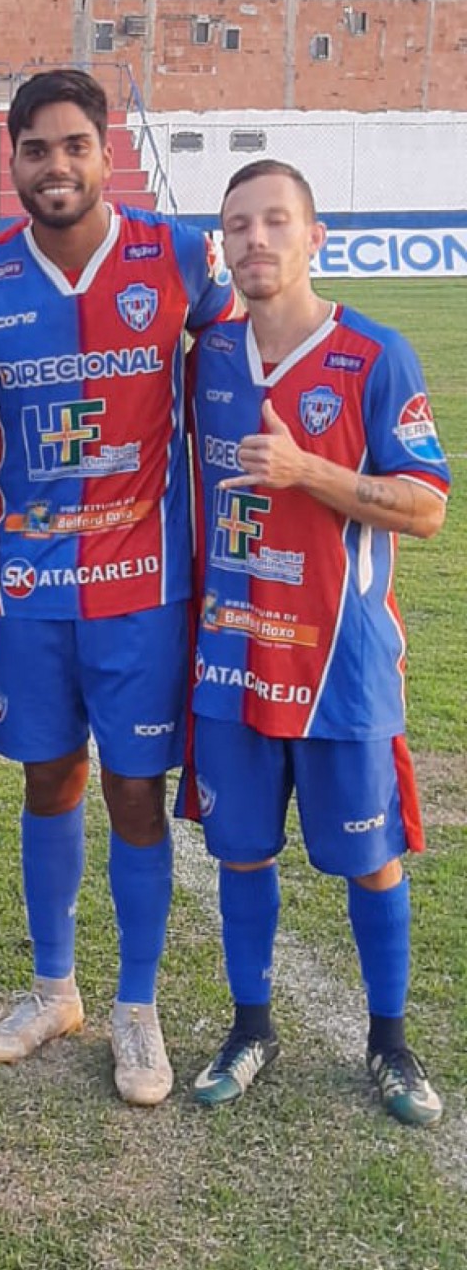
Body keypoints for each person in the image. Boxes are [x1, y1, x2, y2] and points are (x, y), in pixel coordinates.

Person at [0, 68, 236, 1105]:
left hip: (142, 586)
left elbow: (245, 369)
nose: (55, 165)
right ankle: (54, 988)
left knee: (134, 792)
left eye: (73, 145)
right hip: (30, 587)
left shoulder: (179, 258)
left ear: (106, 152)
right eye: (34, 149)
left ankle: (136, 1009)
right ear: (8, 160)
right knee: (47, 780)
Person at [184, 159, 449, 1127]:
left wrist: (307, 470)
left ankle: (391, 1042)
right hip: (232, 659)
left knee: (373, 860)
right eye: (238, 225)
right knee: (241, 853)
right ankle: (250, 1026)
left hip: (341, 667)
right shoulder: (207, 357)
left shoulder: (376, 356)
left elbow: (424, 508)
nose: (257, 240)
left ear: (315, 236)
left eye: (276, 222)